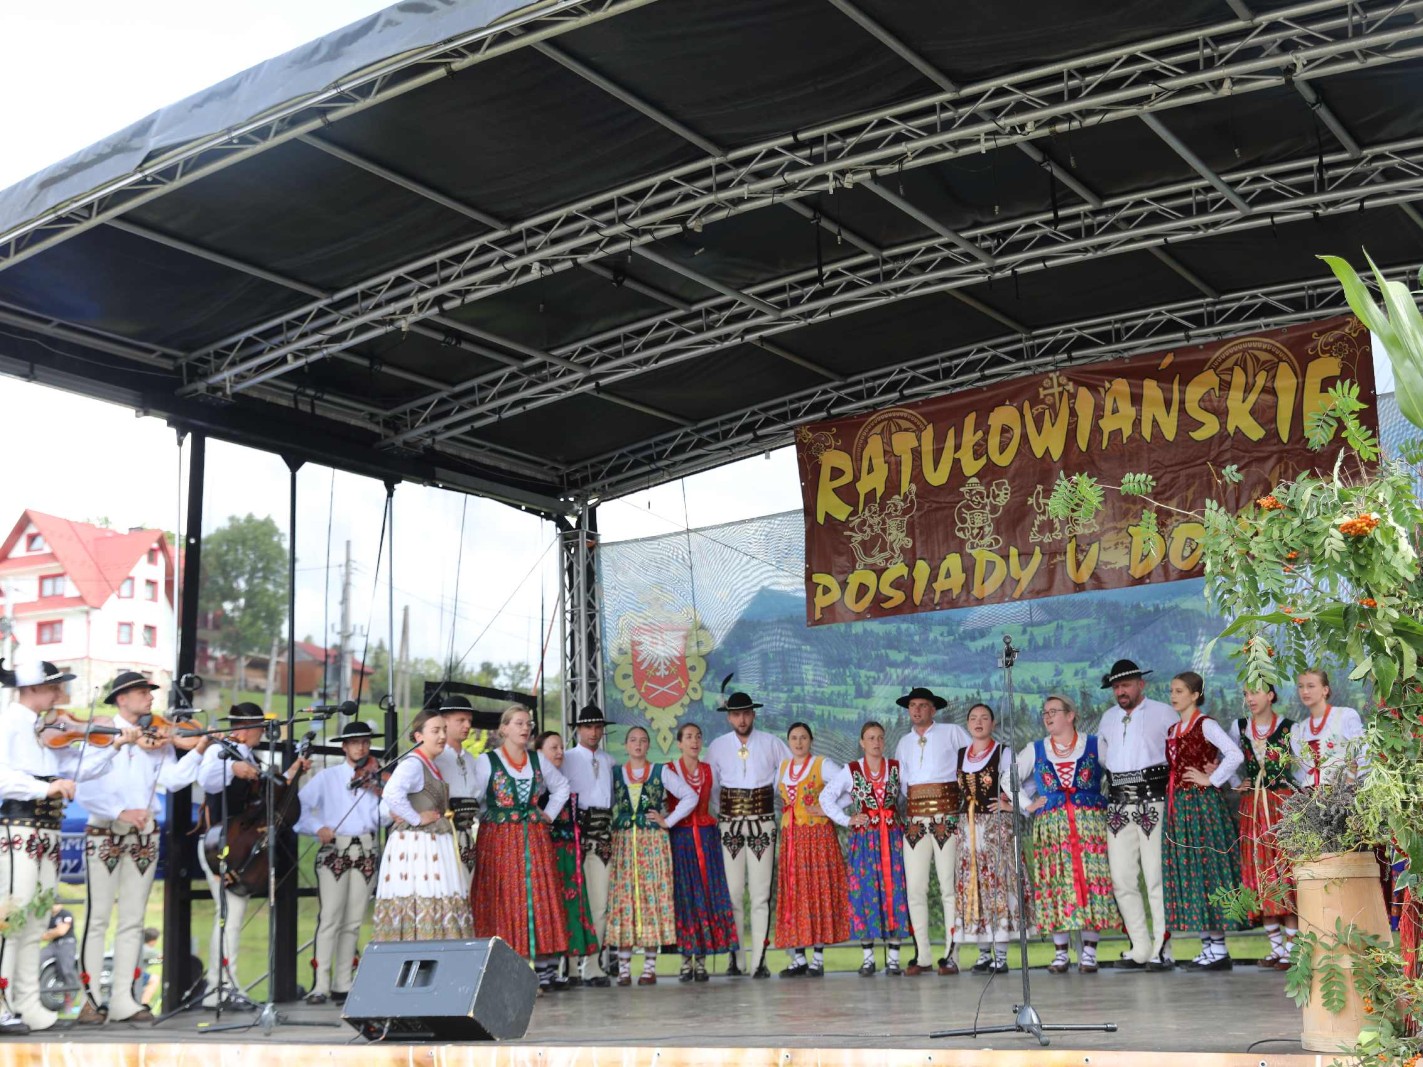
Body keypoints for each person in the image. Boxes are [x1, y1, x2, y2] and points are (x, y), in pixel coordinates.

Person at [0, 660, 137, 1032]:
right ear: (31, 688)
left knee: (36, 917)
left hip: (47, 829)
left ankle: (27, 1002)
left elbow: (78, 768)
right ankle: (2, 1002)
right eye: (53, 687)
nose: (59, 694)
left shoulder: (44, 729)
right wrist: (45, 787)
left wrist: (114, 746)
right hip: (19, 827)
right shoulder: (9, 723)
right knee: (12, 917)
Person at [75, 671, 209, 1024]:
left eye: (149, 692)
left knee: (133, 919)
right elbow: (83, 785)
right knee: (97, 916)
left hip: (144, 835)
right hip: (105, 830)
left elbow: (173, 780)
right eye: (142, 692)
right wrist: (119, 811)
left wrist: (198, 750)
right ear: (122, 699)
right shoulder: (101, 733)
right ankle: (90, 999)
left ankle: (124, 999)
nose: (150, 698)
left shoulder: (156, 737)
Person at [196, 703, 307, 1008]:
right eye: (259, 728)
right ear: (244, 730)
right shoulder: (219, 752)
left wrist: (292, 772)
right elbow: (206, 779)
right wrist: (233, 768)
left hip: (239, 846)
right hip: (220, 846)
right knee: (229, 917)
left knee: (231, 917)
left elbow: (268, 797)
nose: (262, 734)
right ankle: (220, 987)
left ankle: (222, 985)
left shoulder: (251, 758)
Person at [1017, 694, 1120, 974]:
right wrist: (1028, 804)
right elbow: (1009, 778)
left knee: (1092, 880)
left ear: (1070, 715)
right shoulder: (1035, 749)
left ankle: (1089, 953)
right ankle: (1060, 953)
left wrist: (1114, 803)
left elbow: (1119, 770)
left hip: (1090, 825)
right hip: (1052, 828)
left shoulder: (1094, 744)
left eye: (1053, 711)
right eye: (1044, 712)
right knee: (1056, 881)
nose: (1047, 716)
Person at [470, 705, 570, 991]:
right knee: (503, 897)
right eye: (518, 723)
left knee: (535, 897)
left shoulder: (538, 759)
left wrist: (548, 814)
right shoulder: (487, 761)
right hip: (499, 839)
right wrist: (487, 818)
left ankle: (540, 969)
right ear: (503, 729)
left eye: (528, 724)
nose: (525, 728)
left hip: (534, 838)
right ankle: (504, 969)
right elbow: (473, 797)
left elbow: (562, 786)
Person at [296, 720, 386, 1005]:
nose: (361, 747)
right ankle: (320, 984)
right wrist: (317, 827)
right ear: (344, 746)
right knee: (330, 917)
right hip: (336, 848)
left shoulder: (376, 777)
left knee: (354, 920)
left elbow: (382, 816)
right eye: (355, 742)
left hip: (366, 848)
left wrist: (385, 793)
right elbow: (299, 808)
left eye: (366, 742)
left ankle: (343, 983)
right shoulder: (328, 777)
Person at [1096, 658, 1177, 970]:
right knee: (1122, 878)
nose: (1121, 691)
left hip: (1153, 798)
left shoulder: (1163, 713)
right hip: (1118, 802)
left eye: (1126, 685)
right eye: (1116, 686)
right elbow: (1104, 758)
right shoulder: (1108, 718)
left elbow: (1177, 752)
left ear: (1141, 684)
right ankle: (1140, 947)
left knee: (1156, 876)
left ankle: (1162, 948)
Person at [1161, 671, 1245, 970]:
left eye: (1180, 691)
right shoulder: (1173, 729)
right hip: (1181, 807)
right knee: (1191, 869)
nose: (1174, 696)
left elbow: (1234, 754)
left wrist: (1212, 779)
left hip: (1202, 806)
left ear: (1195, 694)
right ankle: (1208, 945)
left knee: (1209, 868)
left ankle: (1219, 947)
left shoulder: (1205, 724)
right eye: (1172, 691)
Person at [706, 689, 791, 978]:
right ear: (729, 717)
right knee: (732, 892)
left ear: (753, 714)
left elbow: (788, 773)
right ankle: (736, 959)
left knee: (760, 893)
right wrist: (725, 810)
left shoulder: (771, 743)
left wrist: (769, 797)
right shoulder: (717, 746)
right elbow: (712, 786)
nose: (741, 719)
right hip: (729, 824)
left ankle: (759, 961)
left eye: (745, 713)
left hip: (762, 822)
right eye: (736, 714)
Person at [604, 725, 697, 986]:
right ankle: (623, 969)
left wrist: (668, 820)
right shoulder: (616, 773)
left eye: (643, 740)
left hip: (653, 843)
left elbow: (690, 796)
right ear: (626, 745)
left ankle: (649, 968)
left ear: (648, 746)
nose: (638, 744)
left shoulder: (660, 772)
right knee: (624, 899)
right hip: (624, 843)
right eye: (633, 740)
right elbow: (605, 802)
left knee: (651, 897)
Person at [373, 709, 473, 942]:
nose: (442, 736)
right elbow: (391, 793)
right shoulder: (413, 763)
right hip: (419, 847)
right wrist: (415, 818)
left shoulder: (429, 764)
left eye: (444, 730)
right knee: (424, 897)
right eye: (435, 731)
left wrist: (405, 813)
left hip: (432, 843)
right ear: (419, 736)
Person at [821, 721, 910, 976]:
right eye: (871, 738)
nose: (876, 742)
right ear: (862, 742)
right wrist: (847, 819)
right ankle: (868, 958)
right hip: (865, 840)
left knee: (895, 890)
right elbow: (826, 797)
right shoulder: (851, 770)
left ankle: (894, 959)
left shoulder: (896, 767)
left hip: (892, 838)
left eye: (880, 737)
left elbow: (910, 795)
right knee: (864, 892)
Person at [893, 685, 969, 975]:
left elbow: (972, 761)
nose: (916, 710)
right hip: (915, 819)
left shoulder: (952, 732)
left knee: (949, 886)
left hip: (946, 816)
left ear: (933, 709)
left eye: (922, 705)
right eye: (912, 705)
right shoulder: (903, 742)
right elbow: (902, 783)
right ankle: (922, 955)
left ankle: (952, 954)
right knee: (915, 888)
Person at [773, 722, 850, 978]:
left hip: (817, 837)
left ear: (811, 740)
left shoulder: (821, 764)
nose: (798, 742)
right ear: (788, 741)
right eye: (794, 738)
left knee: (817, 890)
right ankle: (798, 958)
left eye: (803, 737)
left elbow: (850, 788)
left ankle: (817, 958)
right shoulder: (783, 767)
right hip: (792, 839)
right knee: (795, 893)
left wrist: (828, 808)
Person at [953, 703, 1025, 974]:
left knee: (997, 885)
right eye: (973, 718)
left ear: (993, 724)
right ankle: (983, 952)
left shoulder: (1004, 753)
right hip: (968, 829)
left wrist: (1010, 804)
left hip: (996, 829)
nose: (978, 722)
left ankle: (1001, 954)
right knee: (974, 885)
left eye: (984, 718)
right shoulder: (961, 754)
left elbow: (1020, 786)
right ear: (967, 724)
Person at [664, 722, 739, 982]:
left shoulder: (708, 770)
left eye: (698, 736)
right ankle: (686, 960)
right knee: (685, 895)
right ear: (679, 743)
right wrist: (665, 821)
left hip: (706, 839)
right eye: (688, 737)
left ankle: (702, 961)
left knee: (706, 894)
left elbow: (716, 802)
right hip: (681, 839)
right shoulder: (669, 770)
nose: (694, 741)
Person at [1232, 684, 1299, 968]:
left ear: (1270, 695)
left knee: (1284, 870)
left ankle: (1292, 948)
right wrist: (1235, 782)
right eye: (1246, 694)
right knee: (1259, 870)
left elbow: (1303, 767)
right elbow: (1227, 759)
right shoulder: (1239, 727)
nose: (1250, 698)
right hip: (1253, 807)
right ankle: (1275, 947)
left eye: (1256, 692)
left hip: (1280, 805)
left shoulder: (1289, 728)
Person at [534, 729, 599, 989]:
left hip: (568, 853)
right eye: (553, 747)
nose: (560, 752)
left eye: (561, 747)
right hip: (546, 851)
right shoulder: (536, 784)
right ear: (539, 753)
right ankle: (542, 972)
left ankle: (552, 970)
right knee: (546, 907)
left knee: (564, 909)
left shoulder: (562, 780)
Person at [559, 702, 615, 986]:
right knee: (571, 899)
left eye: (598, 727)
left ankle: (593, 964)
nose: (594, 732)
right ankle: (569, 965)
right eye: (588, 727)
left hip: (602, 835)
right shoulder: (566, 758)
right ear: (579, 730)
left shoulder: (609, 761)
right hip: (573, 835)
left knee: (600, 902)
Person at [432, 694, 479, 889]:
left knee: (468, 891)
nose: (467, 725)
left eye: (469, 720)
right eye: (461, 720)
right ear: (445, 721)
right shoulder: (435, 758)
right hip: (443, 835)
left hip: (467, 837)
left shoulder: (472, 760)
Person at [1289, 669, 1366, 789]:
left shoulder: (1345, 716)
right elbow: (1304, 771)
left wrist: (1352, 782)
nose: (1305, 691)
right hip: (1310, 795)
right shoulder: (1299, 730)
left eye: (1311, 686)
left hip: (1342, 792)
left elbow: (1365, 753)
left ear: (1325, 690)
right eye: (1301, 686)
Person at [40, 905, 79, 1013]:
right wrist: (54, 932)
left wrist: (51, 933)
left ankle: (69, 998)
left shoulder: (66, 914)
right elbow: (42, 936)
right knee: (36, 960)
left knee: (66, 970)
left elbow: (62, 931)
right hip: (53, 944)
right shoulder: (48, 917)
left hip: (67, 944)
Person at [137, 928, 161, 1009]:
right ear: (153, 940)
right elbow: (163, 956)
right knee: (155, 979)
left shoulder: (140, 946)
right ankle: (144, 1004)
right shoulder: (147, 949)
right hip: (135, 975)